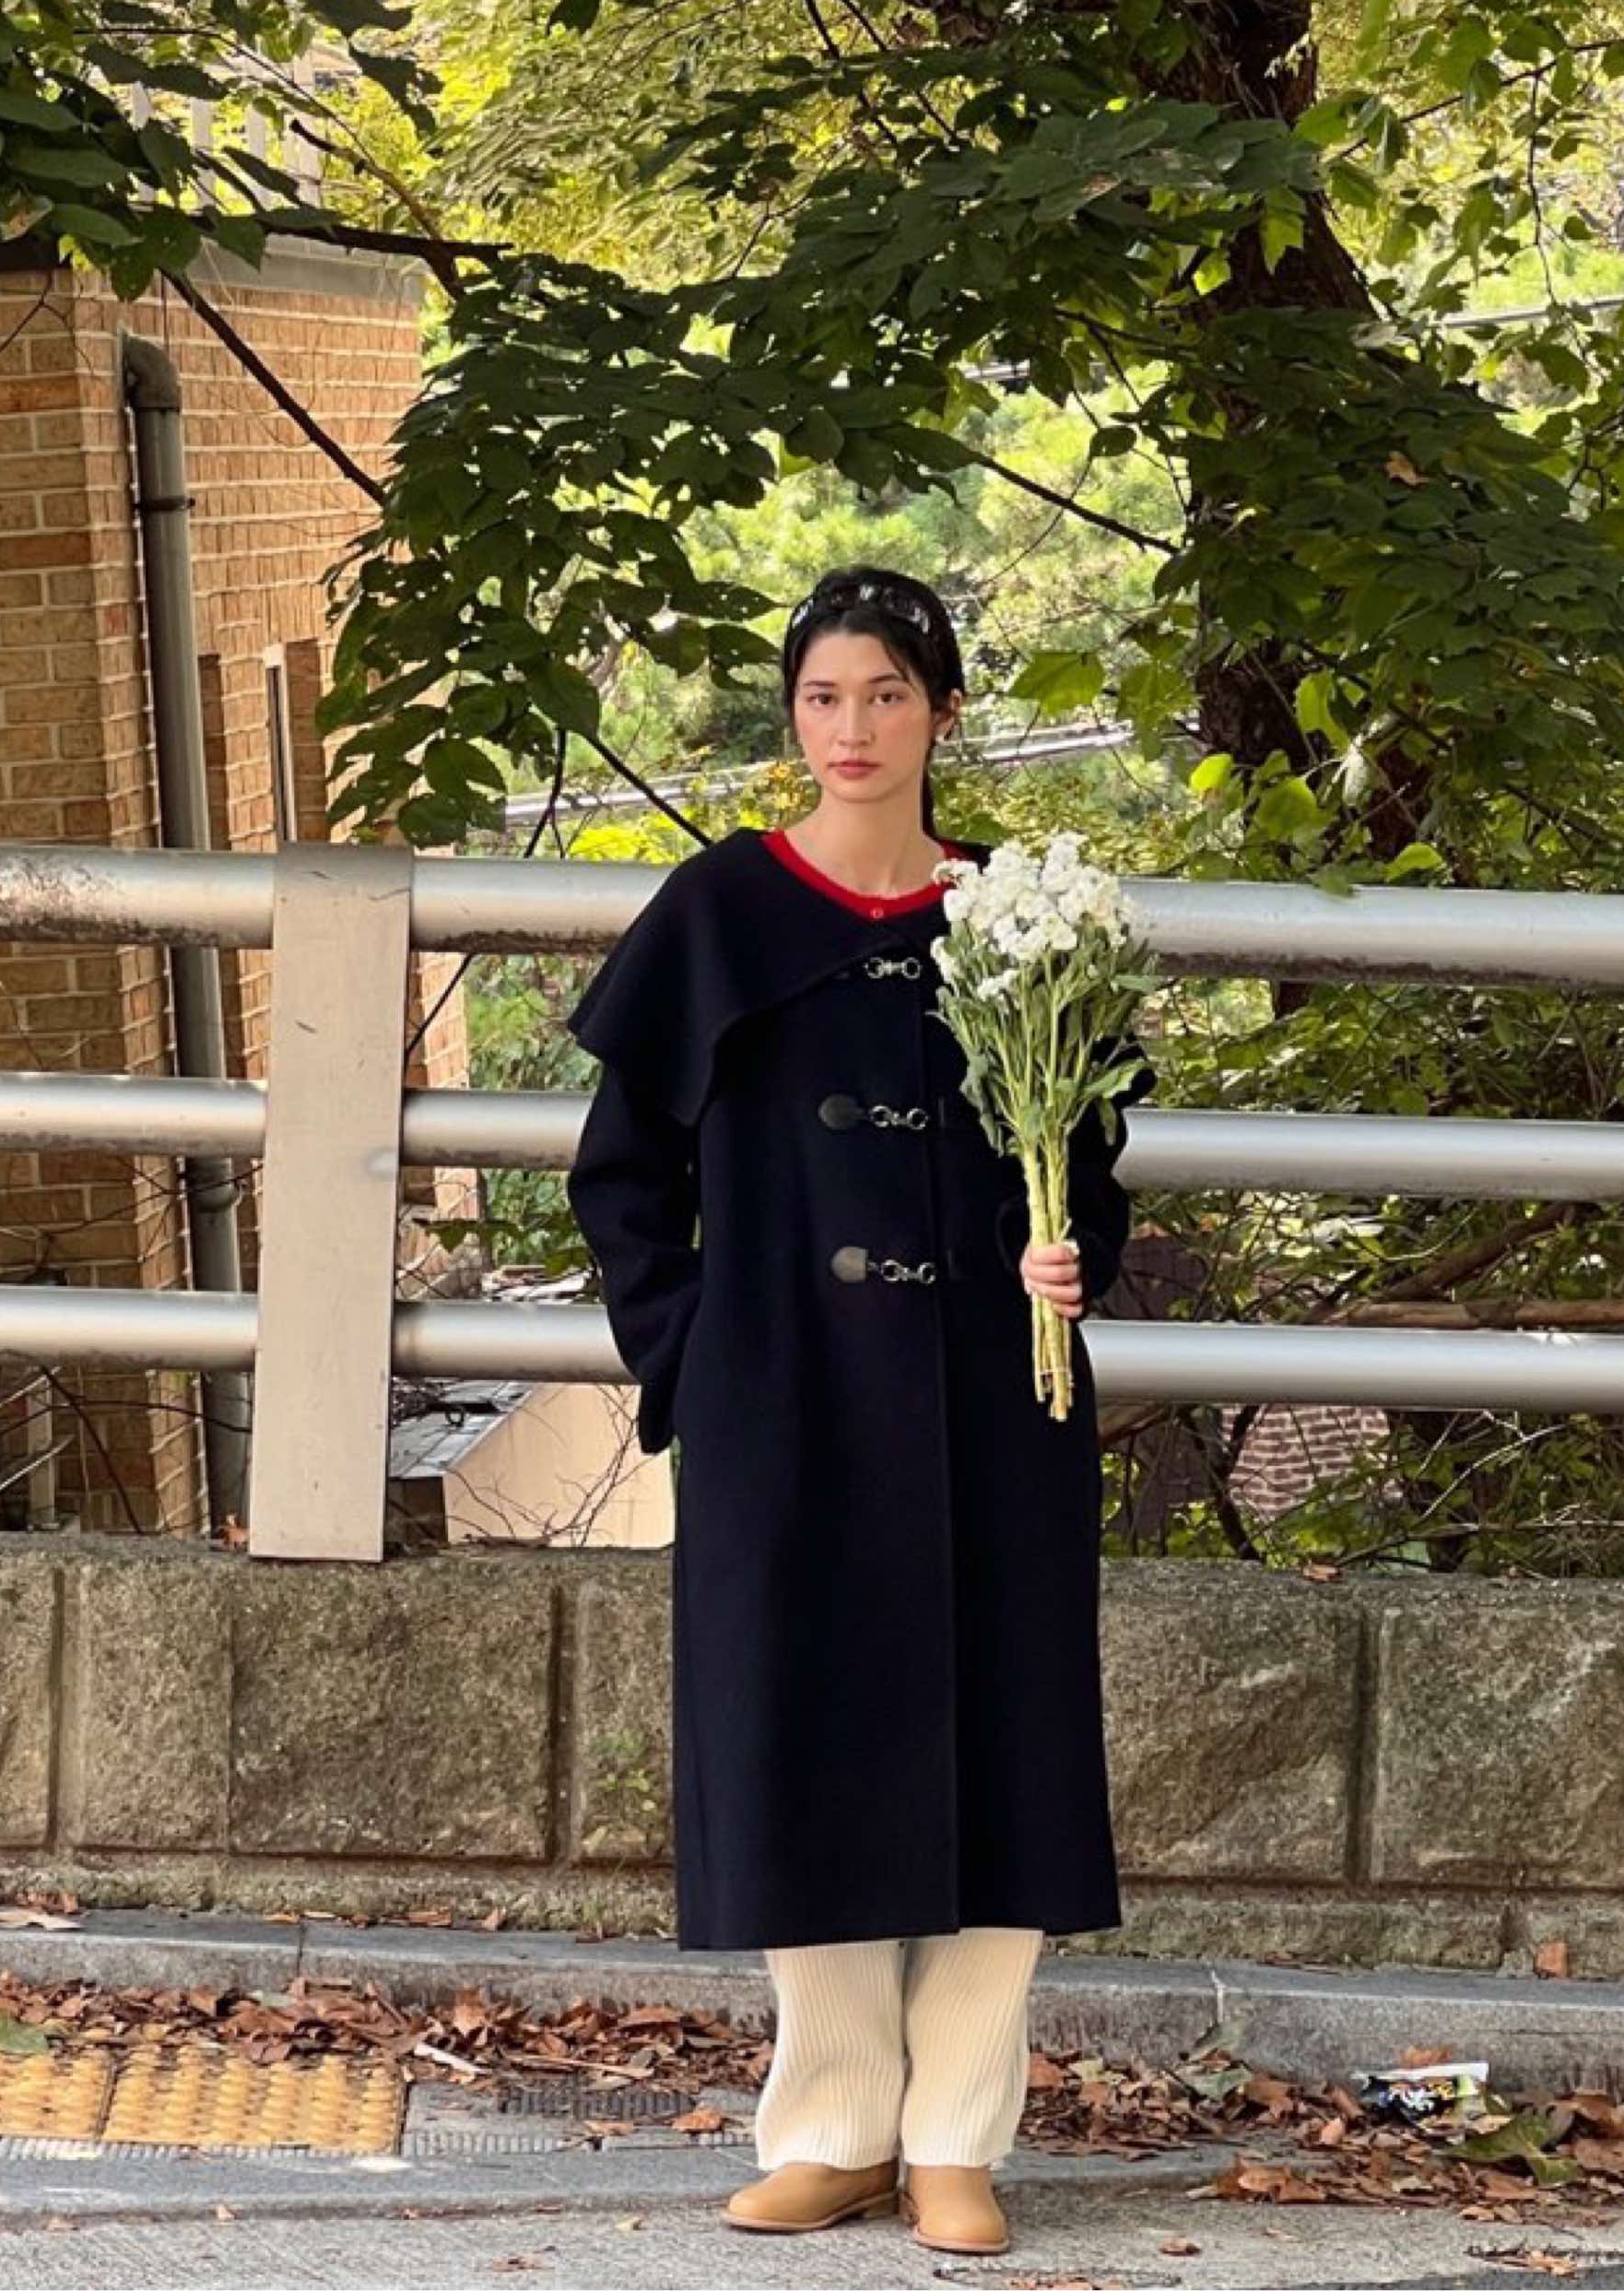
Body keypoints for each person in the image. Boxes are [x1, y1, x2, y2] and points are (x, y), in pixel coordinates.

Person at [562, 565, 1156, 2255]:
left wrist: (1070, 1255)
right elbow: (620, 1179)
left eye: (887, 694)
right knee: (793, 1736)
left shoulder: (1015, 919)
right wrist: (698, 1355)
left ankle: (957, 2132)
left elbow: (1086, 1164)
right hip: (785, 1404)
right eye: (824, 696)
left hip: (996, 1402)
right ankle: (833, 2124)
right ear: (793, 716)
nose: (853, 728)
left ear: (943, 713)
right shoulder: (719, 911)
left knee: (1010, 1743)